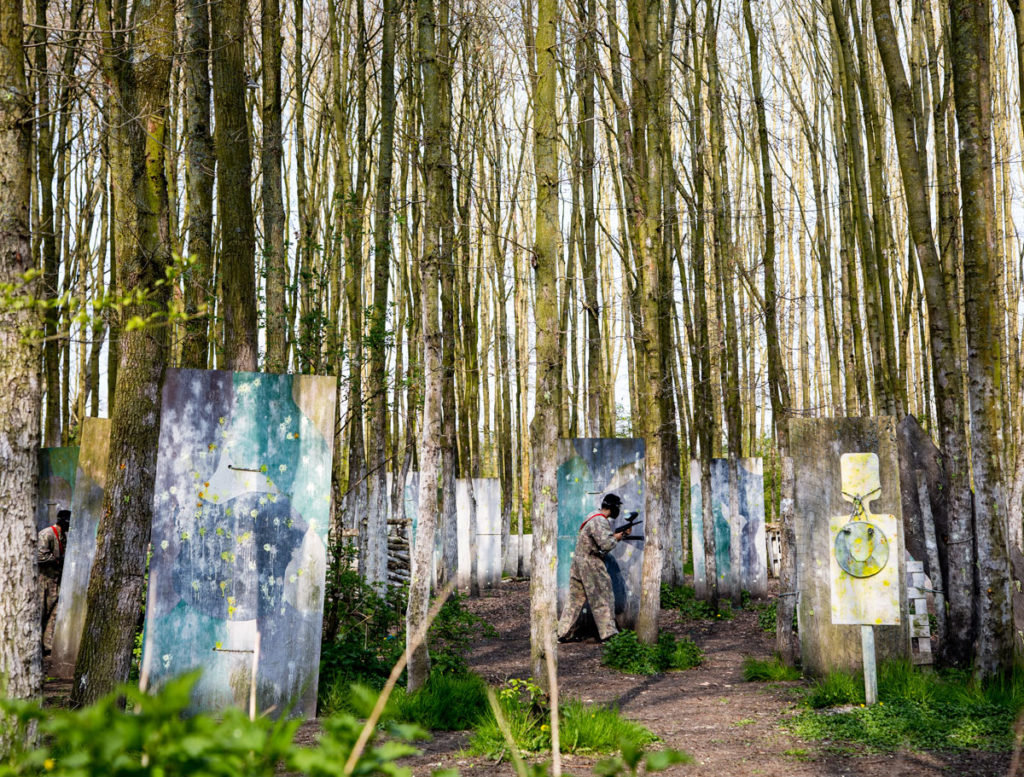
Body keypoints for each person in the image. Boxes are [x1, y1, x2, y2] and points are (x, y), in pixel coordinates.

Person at [557, 493, 631, 643]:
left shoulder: (593, 515)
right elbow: (606, 545)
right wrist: (619, 536)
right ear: (613, 507)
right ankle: (608, 634)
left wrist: (616, 535)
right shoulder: (600, 520)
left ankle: (563, 633)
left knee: (574, 599)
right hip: (591, 563)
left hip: (579, 562)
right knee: (603, 596)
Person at [38, 509, 70, 653]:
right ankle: (35, 647)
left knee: (53, 615)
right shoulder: (47, 534)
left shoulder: (62, 536)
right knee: (41, 613)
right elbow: (39, 556)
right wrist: (56, 560)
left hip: (55, 582)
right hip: (43, 581)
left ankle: (46, 646)